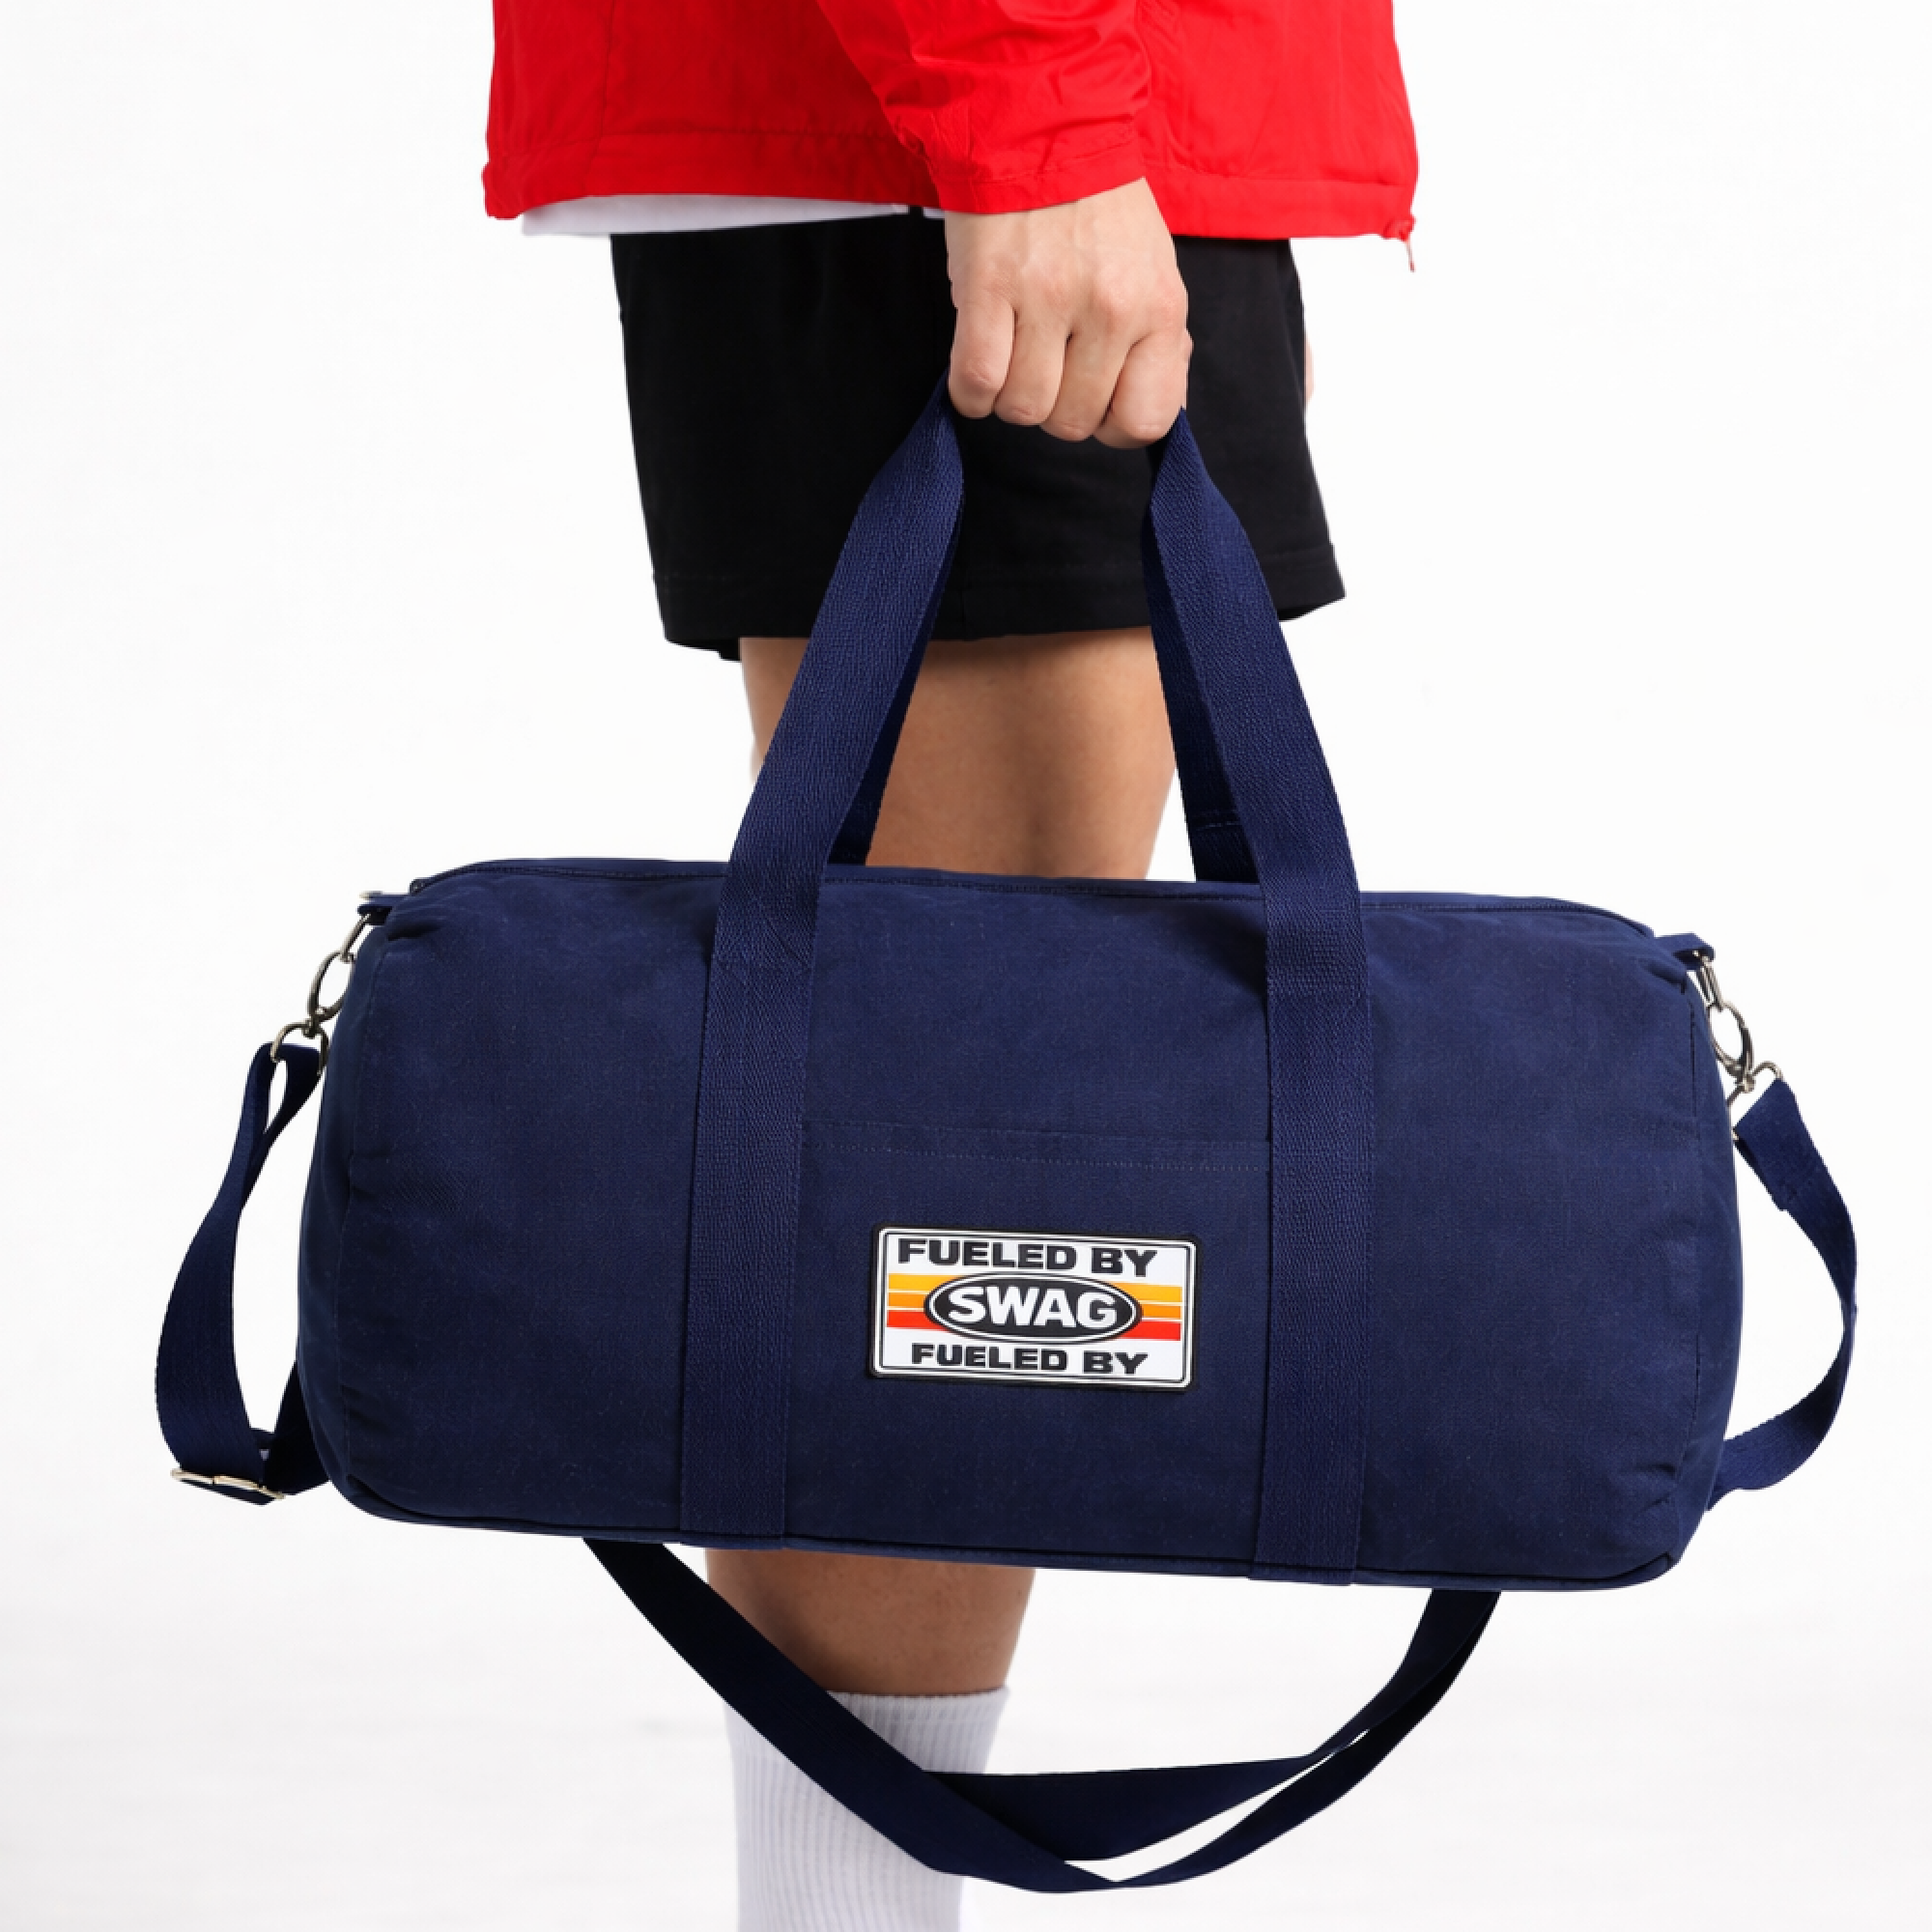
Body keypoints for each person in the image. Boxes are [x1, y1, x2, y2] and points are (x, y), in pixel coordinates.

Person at [488, 4, 1417, 1923]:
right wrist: (1036, 119)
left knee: (952, 1135)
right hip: (978, 118)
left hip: (1063, 115)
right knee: (956, 1142)